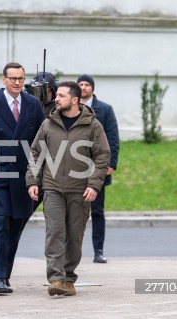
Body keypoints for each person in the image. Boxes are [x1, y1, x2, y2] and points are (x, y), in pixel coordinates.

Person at [26, 81, 110, 296]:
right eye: (57, 95)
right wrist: (33, 181)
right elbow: (36, 153)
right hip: (53, 188)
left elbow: (102, 157)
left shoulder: (93, 126)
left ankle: (69, 278)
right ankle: (55, 278)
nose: (57, 99)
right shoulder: (48, 124)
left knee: (74, 237)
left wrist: (94, 185)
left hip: (80, 190)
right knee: (54, 232)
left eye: (62, 96)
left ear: (74, 99)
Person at [0, 62, 45, 294]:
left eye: (21, 78)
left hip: (25, 174)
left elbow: (42, 140)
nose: (17, 82)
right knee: (1, 221)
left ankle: (5, 273)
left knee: (16, 224)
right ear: (3, 80)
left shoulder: (33, 105)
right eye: (12, 78)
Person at [77, 74, 120, 264]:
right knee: (74, 211)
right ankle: (71, 251)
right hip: (75, 168)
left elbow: (113, 138)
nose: (84, 87)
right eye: (81, 84)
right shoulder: (72, 107)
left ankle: (98, 250)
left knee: (97, 211)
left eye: (87, 84)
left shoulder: (105, 109)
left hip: (97, 167)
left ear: (93, 88)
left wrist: (111, 164)